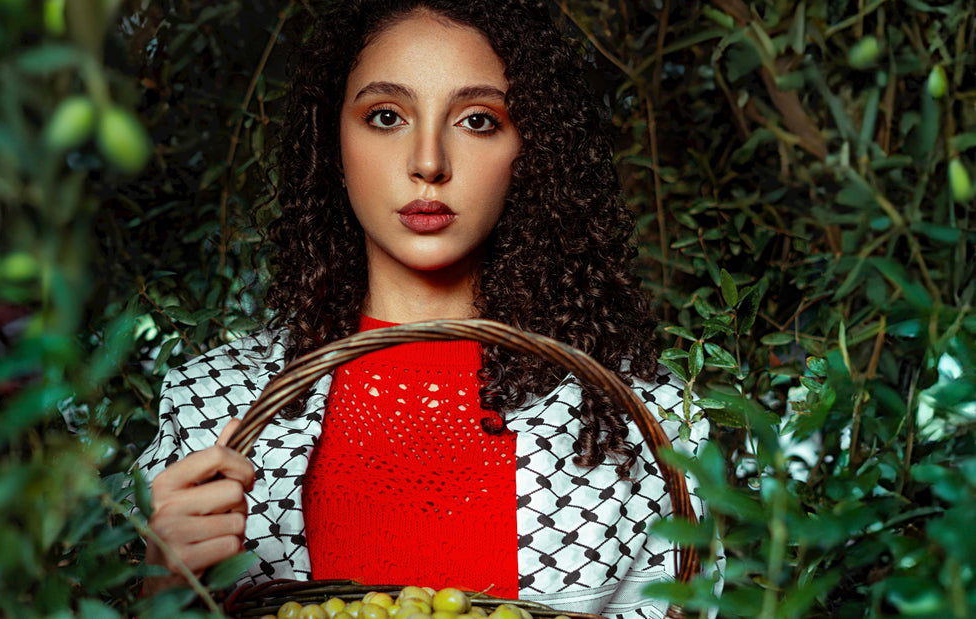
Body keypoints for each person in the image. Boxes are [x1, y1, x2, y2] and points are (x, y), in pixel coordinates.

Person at [133, 0, 713, 616]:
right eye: (386, 116)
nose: (428, 163)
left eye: (478, 120)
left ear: (533, 150)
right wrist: (163, 594)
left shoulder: (642, 421)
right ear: (332, 141)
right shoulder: (214, 405)